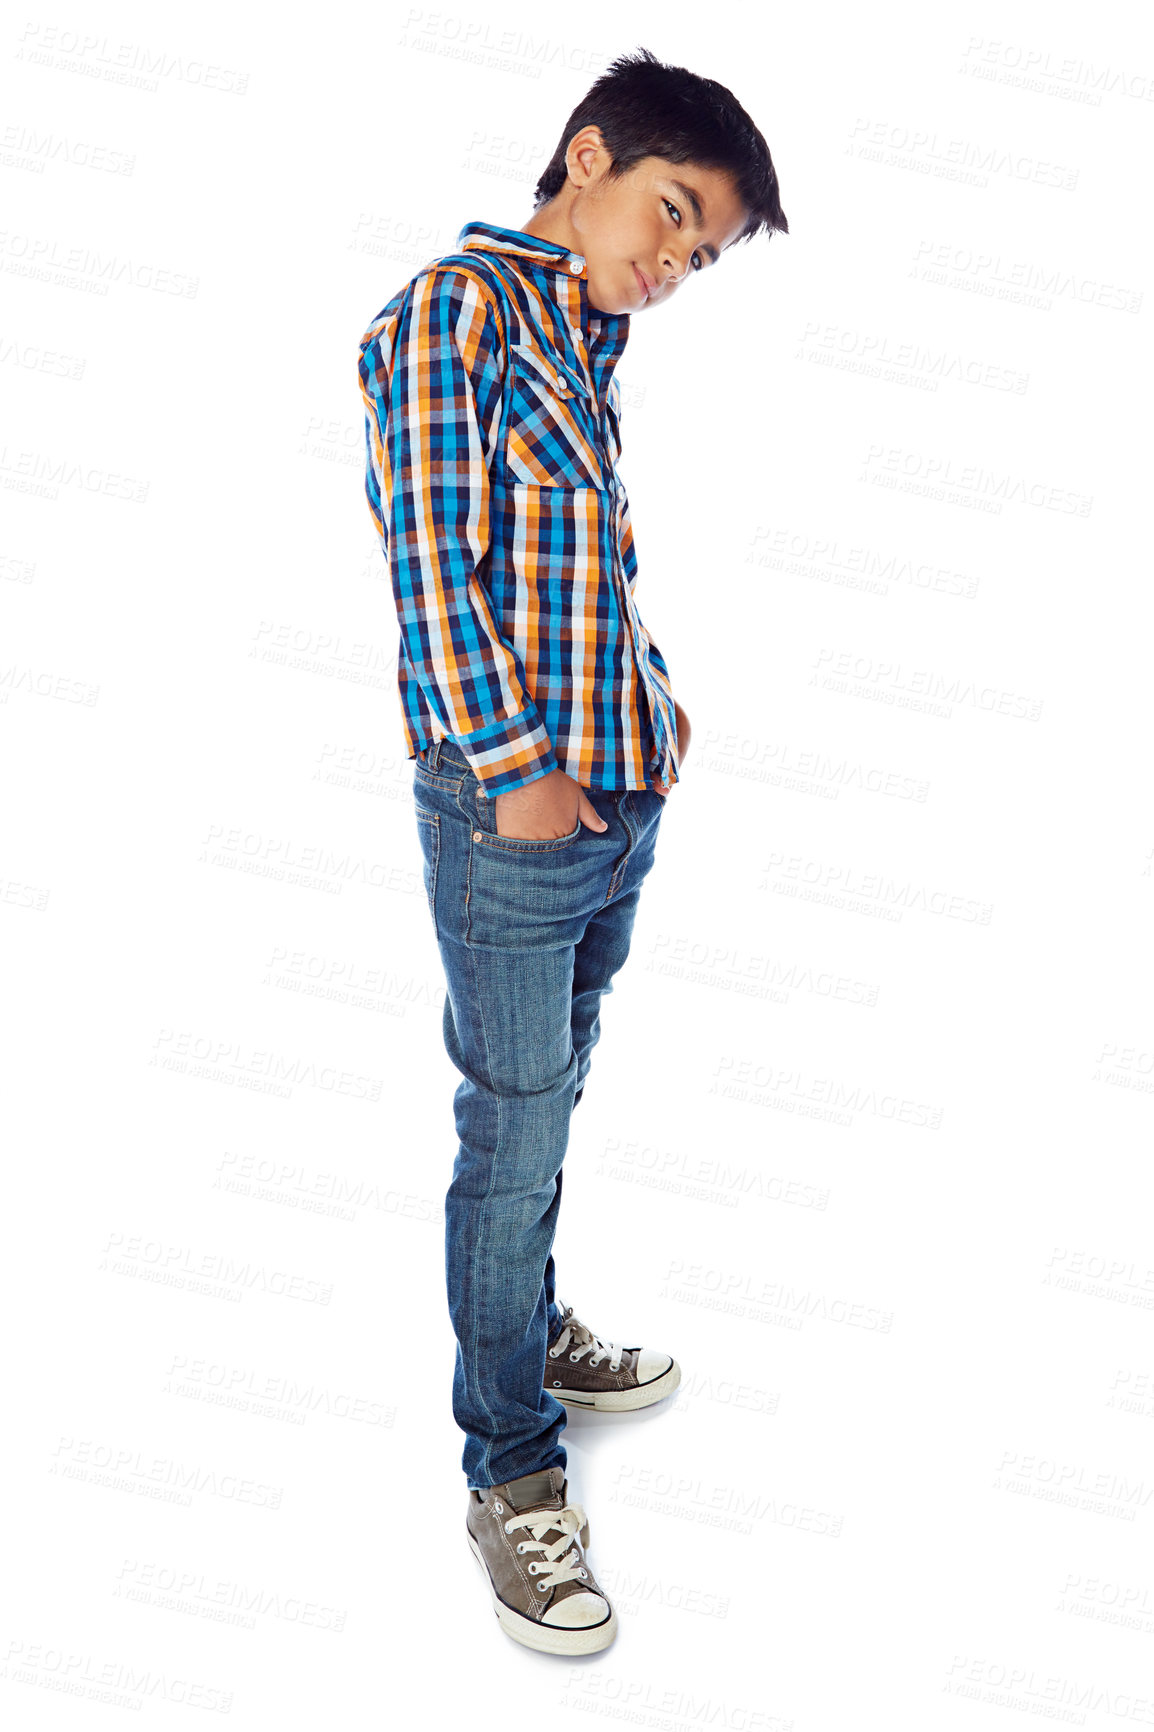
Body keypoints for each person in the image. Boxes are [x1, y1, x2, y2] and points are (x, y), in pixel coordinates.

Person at [356, 44, 788, 1654]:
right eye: (667, 217)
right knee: (512, 1131)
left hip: (618, 797)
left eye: (697, 254)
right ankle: (510, 1465)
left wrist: (652, 698)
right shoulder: (450, 313)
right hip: (518, 813)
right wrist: (520, 773)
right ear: (585, 156)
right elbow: (431, 575)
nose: (668, 267)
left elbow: (572, 560)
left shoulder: (581, 331)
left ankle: (524, 1330)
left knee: (553, 1097)